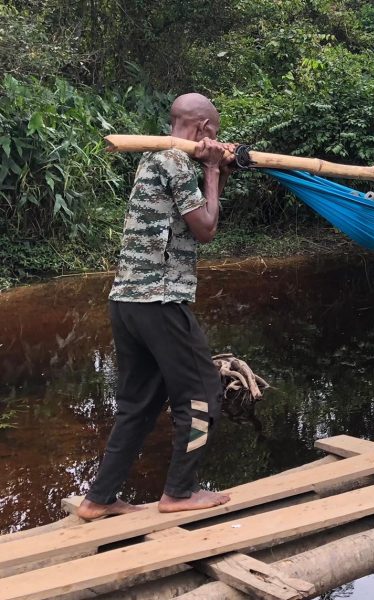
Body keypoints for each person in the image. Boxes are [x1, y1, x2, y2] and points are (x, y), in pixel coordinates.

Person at [77, 93, 236, 519]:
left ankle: (99, 500)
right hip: (159, 298)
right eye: (214, 132)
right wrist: (212, 171)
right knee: (205, 392)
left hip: (126, 301)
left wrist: (222, 165)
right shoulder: (180, 163)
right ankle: (180, 493)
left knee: (140, 403)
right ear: (203, 129)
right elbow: (205, 228)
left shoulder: (153, 159)